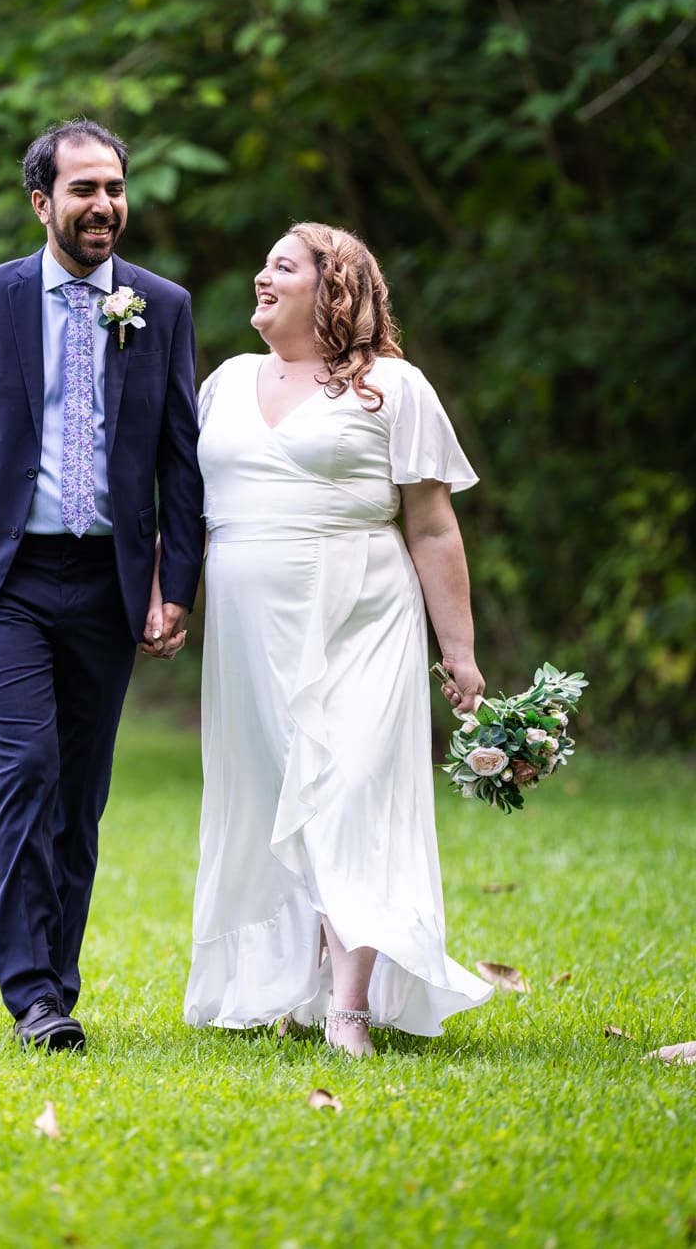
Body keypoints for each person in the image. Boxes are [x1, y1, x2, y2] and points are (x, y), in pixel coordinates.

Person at [0, 118, 204, 1054]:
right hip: (6, 579)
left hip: (110, 583)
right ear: (43, 202)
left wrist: (176, 586)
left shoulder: (161, 305)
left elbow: (179, 459)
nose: (103, 205)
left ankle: (55, 988)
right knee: (26, 766)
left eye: (113, 188)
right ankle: (31, 992)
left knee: (81, 795)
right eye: (83, 190)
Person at [178, 221, 494, 1056]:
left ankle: (349, 1006)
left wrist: (457, 653)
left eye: (283, 266)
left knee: (350, 789)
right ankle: (295, 984)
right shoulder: (226, 383)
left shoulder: (392, 388)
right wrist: (163, 597)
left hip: (362, 615)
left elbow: (432, 528)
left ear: (335, 288)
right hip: (249, 635)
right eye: (263, 264)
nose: (260, 277)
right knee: (279, 797)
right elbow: (185, 511)